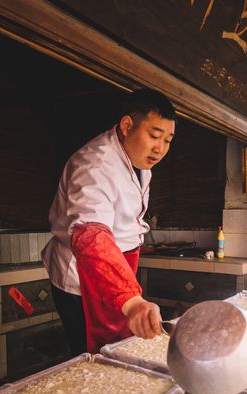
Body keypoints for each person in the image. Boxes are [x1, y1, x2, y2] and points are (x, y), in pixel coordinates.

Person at [41, 89, 176, 355]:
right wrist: (131, 300)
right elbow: (90, 235)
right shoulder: (94, 164)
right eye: (154, 135)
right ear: (127, 126)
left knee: (119, 349)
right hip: (87, 274)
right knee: (94, 358)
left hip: (117, 270)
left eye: (168, 140)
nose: (160, 148)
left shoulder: (139, 163)